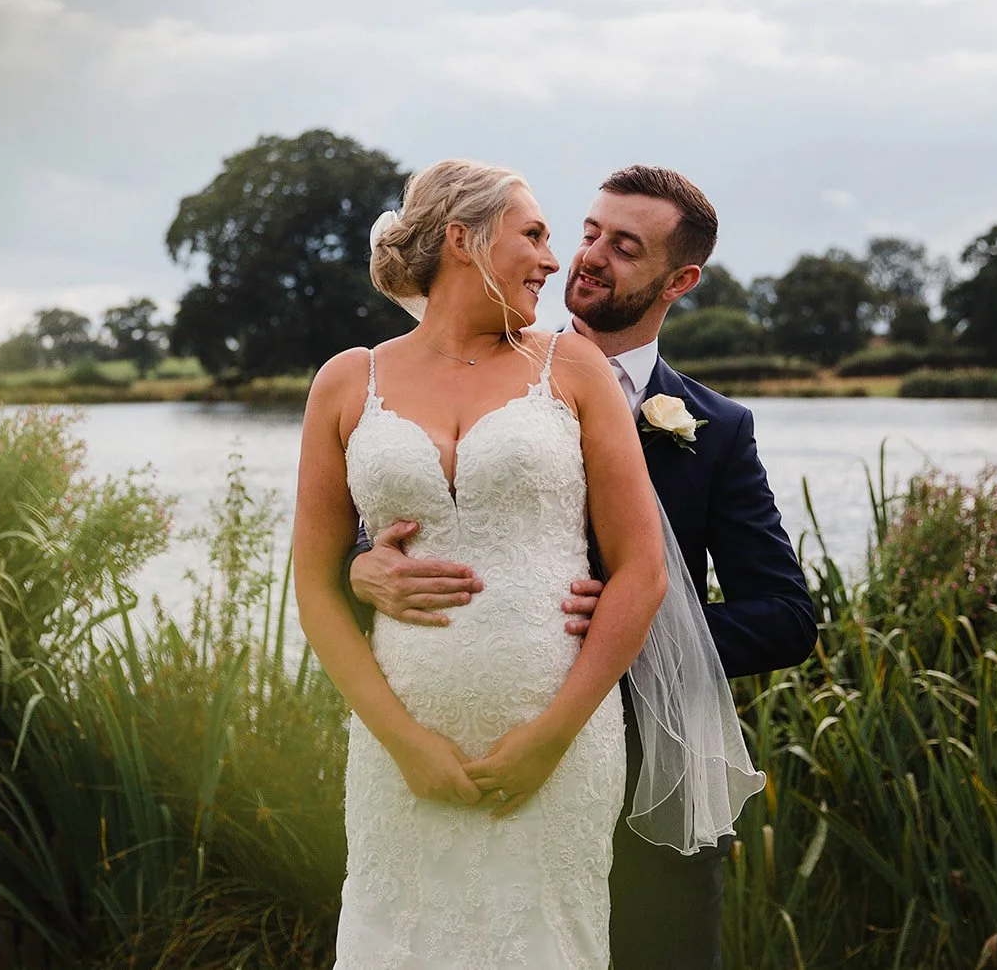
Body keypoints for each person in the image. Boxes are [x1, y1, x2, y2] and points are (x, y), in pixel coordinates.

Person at [346, 164, 818, 969]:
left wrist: (636, 630)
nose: (586, 256)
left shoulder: (715, 427)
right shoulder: (443, 372)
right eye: (589, 231)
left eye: (624, 246)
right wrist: (363, 568)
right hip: (467, 748)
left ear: (682, 279)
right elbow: (408, 512)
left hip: (644, 767)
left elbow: (786, 614)